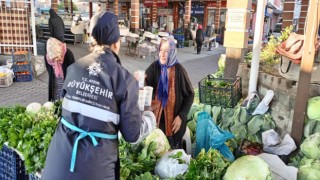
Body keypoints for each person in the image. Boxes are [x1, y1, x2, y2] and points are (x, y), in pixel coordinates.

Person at [42, 12, 154, 180]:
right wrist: (149, 118)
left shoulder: (74, 68)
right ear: (117, 42)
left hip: (57, 163)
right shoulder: (124, 79)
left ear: (92, 39)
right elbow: (132, 135)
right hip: (94, 170)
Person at [144, 37, 194, 149]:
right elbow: (144, 82)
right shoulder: (154, 67)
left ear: (172, 52)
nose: (162, 54)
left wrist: (181, 116)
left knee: (171, 152)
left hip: (173, 123)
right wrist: (139, 80)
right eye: (161, 50)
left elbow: (190, 95)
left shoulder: (179, 70)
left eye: (167, 51)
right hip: (155, 121)